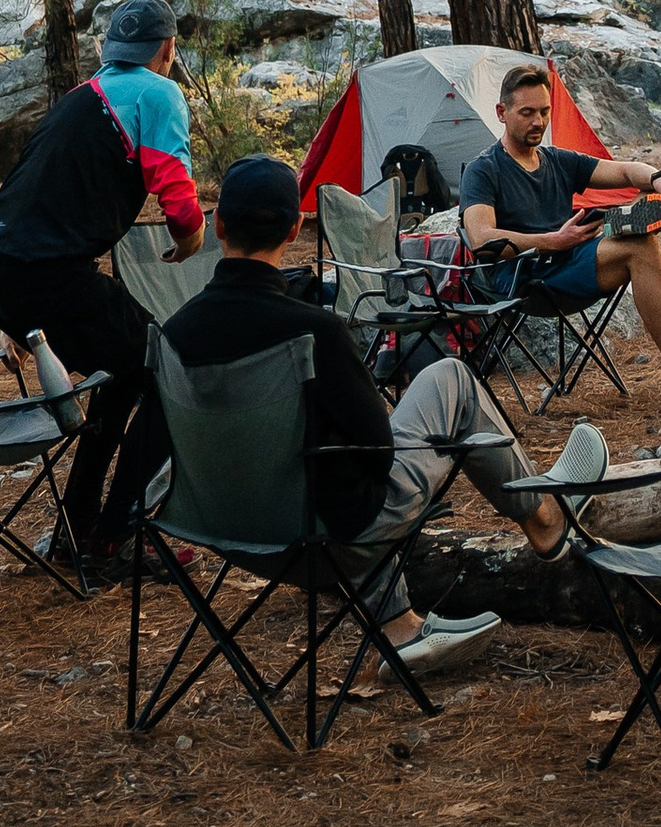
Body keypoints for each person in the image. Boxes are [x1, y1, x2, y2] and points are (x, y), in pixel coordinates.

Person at [163, 154, 604, 676]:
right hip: (324, 536)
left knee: (324, 468)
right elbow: (377, 451)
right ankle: (546, 517)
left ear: (216, 225)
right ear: (295, 227)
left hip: (227, 535)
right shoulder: (315, 333)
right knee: (451, 381)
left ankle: (400, 629)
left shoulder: (172, 336)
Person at [0, 0, 202, 571]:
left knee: (125, 375)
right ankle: (114, 534)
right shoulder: (158, 91)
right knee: (170, 373)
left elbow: (32, 195)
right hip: (45, 276)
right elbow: (174, 187)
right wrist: (191, 238)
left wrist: (14, 317)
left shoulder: (81, 97)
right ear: (167, 49)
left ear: (111, 50)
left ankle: (82, 529)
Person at [458, 61, 661, 399]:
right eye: (527, 112)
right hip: (523, 279)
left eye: (544, 111)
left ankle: (621, 222)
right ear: (502, 112)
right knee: (641, 247)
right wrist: (553, 241)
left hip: (565, 264)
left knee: (645, 214)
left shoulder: (557, 160)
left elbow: (626, 171)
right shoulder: (484, 171)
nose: (538, 121)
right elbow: (482, 240)